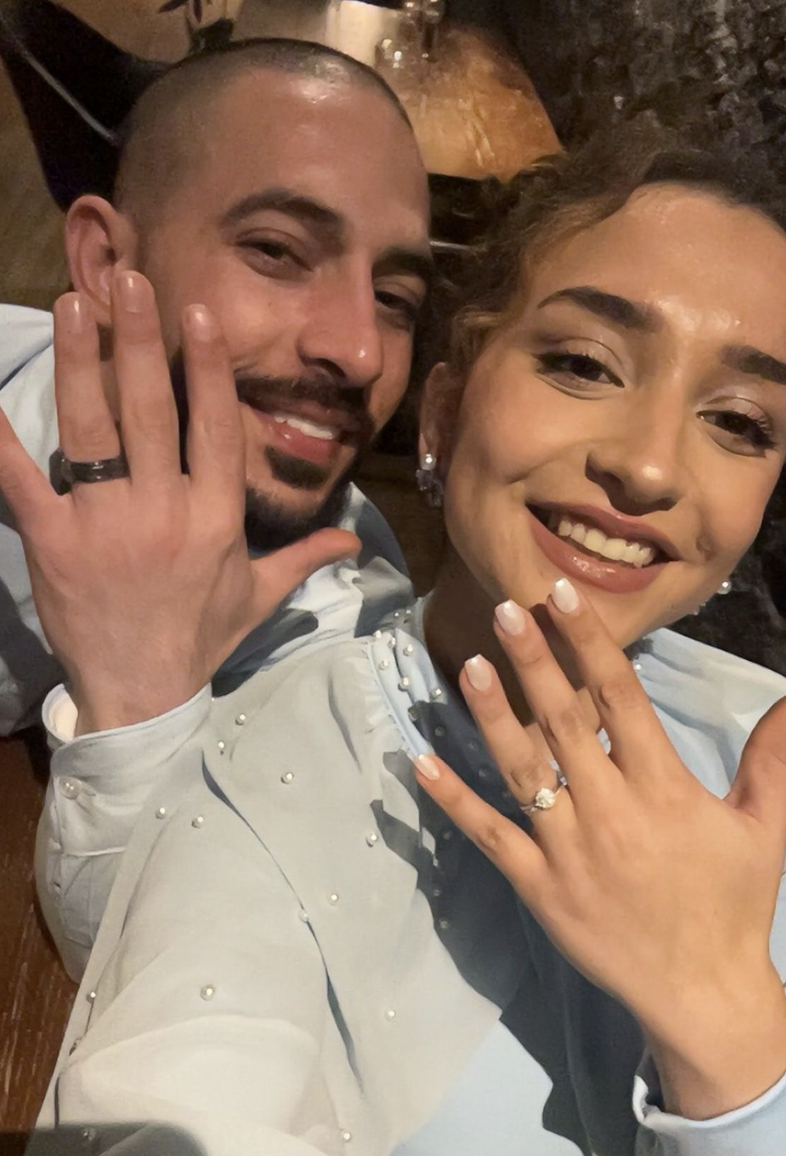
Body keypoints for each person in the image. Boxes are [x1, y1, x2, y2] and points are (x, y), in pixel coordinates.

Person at [6, 125, 786, 1154]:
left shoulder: (758, 742)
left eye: (741, 421)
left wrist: (731, 1033)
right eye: (585, 363)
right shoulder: (282, 768)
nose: (649, 468)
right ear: (444, 412)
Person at [0, 35, 433, 737]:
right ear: (109, 262)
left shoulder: (345, 625)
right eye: (277, 251)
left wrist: (143, 686)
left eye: (395, 299)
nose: (360, 353)